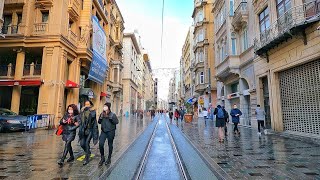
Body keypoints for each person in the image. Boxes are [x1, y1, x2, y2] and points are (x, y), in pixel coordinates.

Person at [78, 100, 99, 165]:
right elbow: (80, 120)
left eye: (88, 104)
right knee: (82, 144)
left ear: (90, 105)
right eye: (85, 104)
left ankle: (86, 159)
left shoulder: (92, 112)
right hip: (83, 130)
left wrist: (88, 111)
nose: (86, 105)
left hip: (90, 130)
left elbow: (93, 120)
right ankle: (88, 152)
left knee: (87, 143)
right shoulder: (82, 112)